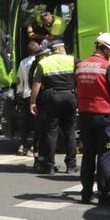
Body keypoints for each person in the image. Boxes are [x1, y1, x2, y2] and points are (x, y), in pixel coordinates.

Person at [76, 33, 110, 204]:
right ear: (104, 48)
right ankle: (105, 195)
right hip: (103, 116)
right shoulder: (107, 67)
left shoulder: (81, 66)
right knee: (105, 154)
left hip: (84, 116)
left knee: (88, 154)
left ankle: (86, 193)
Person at [30, 38, 77, 175]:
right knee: (69, 131)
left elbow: (36, 84)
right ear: (61, 48)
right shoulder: (72, 60)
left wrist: (32, 101)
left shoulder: (43, 62)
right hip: (70, 96)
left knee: (52, 132)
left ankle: (49, 165)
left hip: (52, 98)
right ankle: (71, 165)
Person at [15, 40, 40, 156]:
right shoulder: (40, 61)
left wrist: (19, 92)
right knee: (38, 123)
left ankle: (23, 145)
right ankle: (35, 146)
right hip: (37, 94)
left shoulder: (23, 62)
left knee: (26, 122)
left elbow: (19, 80)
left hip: (26, 94)